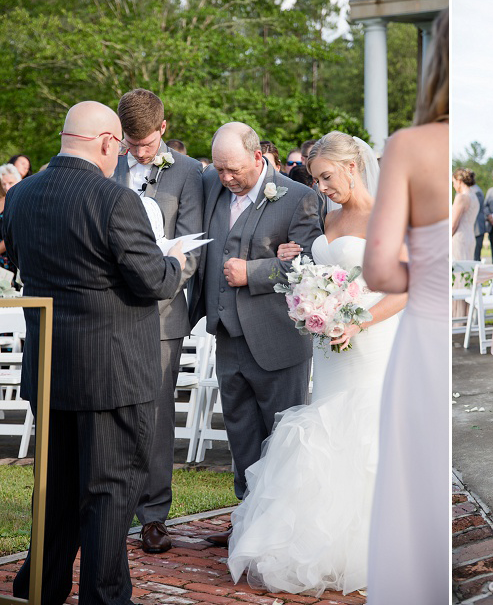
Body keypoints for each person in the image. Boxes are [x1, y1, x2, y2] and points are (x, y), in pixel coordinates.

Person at [3, 101, 186, 605]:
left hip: (50, 368)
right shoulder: (113, 201)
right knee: (108, 494)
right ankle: (104, 598)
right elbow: (151, 280)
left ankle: (39, 588)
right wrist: (175, 261)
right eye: (120, 147)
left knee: (55, 491)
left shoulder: (19, 196)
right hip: (113, 372)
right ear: (107, 142)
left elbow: (19, 261)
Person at [228, 131, 407, 595]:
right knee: (327, 435)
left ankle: (371, 547)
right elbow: (320, 272)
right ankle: (321, 544)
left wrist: (358, 321)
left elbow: (406, 288)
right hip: (329, 347)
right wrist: (297, 266)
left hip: (368, 343)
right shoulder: (327, 217)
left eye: (326, 177)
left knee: (365, 437)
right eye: (315, 179)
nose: (321, 187)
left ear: (352, 167)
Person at [187, 121, 322, 546]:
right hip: (227, 334)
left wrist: (256, 272)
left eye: (234, 170)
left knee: (282, 439)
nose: (226, 178)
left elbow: (311, 270)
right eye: (221, 169)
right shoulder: (212, 185)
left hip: (278, 340)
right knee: (241, 433)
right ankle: (245, 520)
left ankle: (282, 530)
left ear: (258, 157)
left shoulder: (299, 198)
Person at [363, 6, 449, 605]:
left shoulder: (410, 145)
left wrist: (423, 273)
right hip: (444, 328)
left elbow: (376, 268)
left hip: (422, 334)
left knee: (413, 495)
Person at [113, 88, 203, 554]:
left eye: (146, 143)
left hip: (163, 314)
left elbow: (190, 248)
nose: (139, 152)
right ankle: (113, 507)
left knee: (156, 414)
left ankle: (153, 516)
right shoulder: (108, 166)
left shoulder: (189, 173)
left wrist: (159, 285)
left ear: (163, 129)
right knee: (113, 410)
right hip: (110, 313)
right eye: (131, 143)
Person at [451, 167, 480, 318]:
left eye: (454, 182)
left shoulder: (461, 197)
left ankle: (458, 316)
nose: (454, 186)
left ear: (460, 181)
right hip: (470, 238)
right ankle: (466, 315)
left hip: (459, 239)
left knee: (457, 275)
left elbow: (453, 224)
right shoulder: (474, 197)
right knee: (466, 274)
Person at [0, 164, 22, 273]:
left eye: (10, 183)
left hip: (11, 257)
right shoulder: (2, 200)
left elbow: (15, 231)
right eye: (4, 184)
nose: (6, 187)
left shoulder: (21, 201)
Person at [471, 178, 487, 260]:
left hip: (476, 228)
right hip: (471, 228)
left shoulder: (476, 191)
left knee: (475, 257)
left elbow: (476, 210)